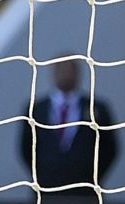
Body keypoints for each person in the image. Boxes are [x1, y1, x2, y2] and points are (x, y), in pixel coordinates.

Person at [21, 56, 116, 192]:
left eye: (70, 70)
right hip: (46, 189)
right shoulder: (36, 109)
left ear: (78, 74)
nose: (66, 74)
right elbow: (26, 148)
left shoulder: (97, 108)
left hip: (85, 190)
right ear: (53, 73)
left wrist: (89, 175)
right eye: (61, 70)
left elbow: (110, 148)